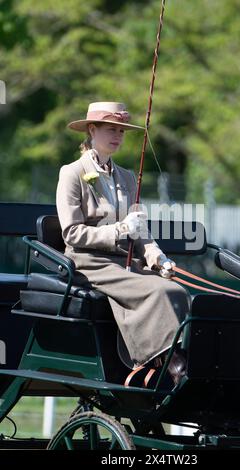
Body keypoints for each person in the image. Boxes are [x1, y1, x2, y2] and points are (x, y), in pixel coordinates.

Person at [56, 101, 191, 385]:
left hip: (124, 261)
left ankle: (174, 356)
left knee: (176, 289)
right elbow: (72, 233)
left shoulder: (128, 177)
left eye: (121, 131)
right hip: (89, 262)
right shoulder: (71, 174)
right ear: (92, 130)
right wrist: (118, 230)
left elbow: (140, 231)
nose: (117, 136)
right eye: (110, 129)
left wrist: (158, 258)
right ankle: (163, 361)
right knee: (158, 291)